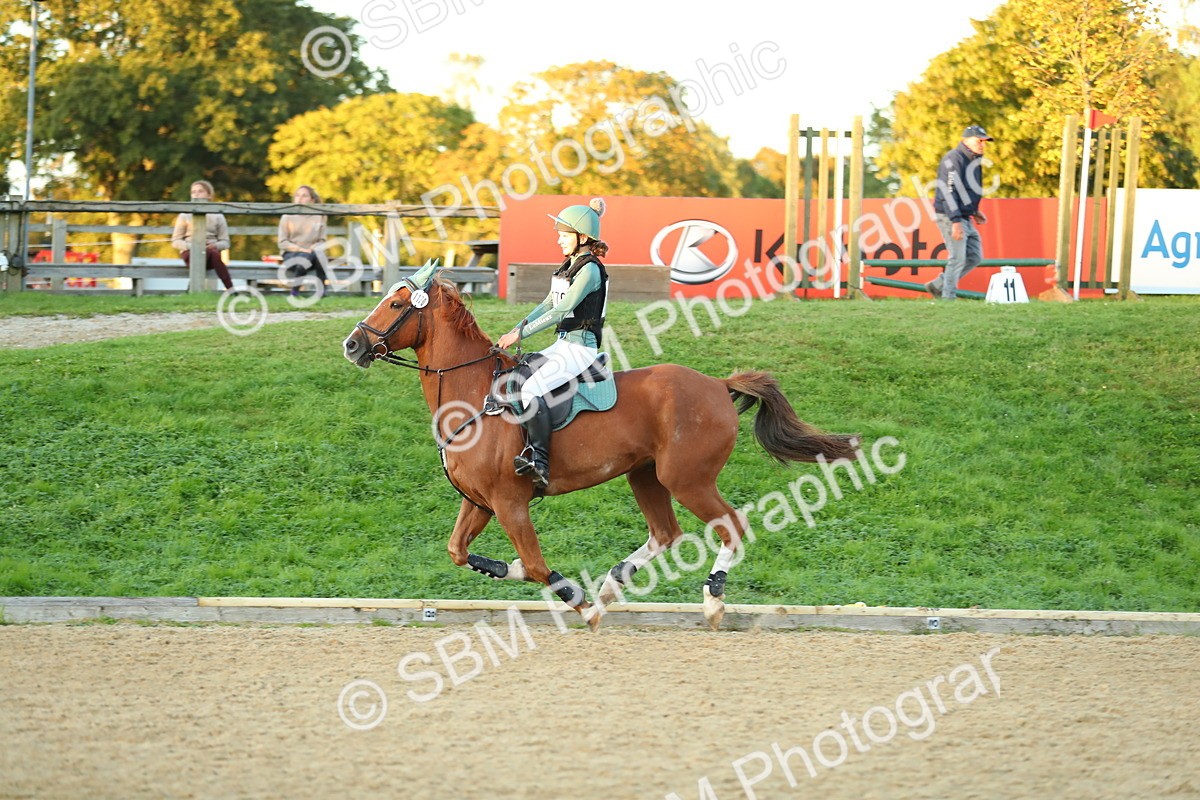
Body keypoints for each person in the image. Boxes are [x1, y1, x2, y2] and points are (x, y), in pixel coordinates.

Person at [496, 198, 609, 489]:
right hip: (563, 345)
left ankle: (540, 463)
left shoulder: (590, 271)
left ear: (582, 237)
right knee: (518, 372)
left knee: (532, 388)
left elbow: (560, 311)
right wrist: (516, 327)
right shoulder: (569, 266)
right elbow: (548, 303)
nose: (558, 239)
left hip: (580, 349)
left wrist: (520, 335)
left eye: (563, 234)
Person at [927, 125, 993, 300]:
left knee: (974, 256)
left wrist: (974, 211)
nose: (982, 144)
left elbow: (966, 189)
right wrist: (956, 221)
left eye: (984, 141)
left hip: (964, 216)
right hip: (951, 216)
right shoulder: (954, 159)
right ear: (965, 140)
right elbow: (949, 192)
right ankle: (948, 298)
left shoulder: (973, 159)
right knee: (957, 258)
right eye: (979, 140)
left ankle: (938, 285)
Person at [172, 180, 234, 291]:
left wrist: (214, 245)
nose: (196, 194)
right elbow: (176, 241)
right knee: (208, 254)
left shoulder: (218, 216)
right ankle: (231, 289)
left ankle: (192, 289)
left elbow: (225, 242)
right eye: (193, 192)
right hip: (190, 253)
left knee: (213, 253)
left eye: (200, 191)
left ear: (209, 195)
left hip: (211, 255)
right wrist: (193, 246)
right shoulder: (184, 215)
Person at [277, 185, 328, 298]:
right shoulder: (287, 216)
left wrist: (313, 248)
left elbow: (322, 240)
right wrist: (301, 249)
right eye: (297, 195)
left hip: (313, 253)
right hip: (292, 252)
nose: (300, 198)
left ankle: (322, 289)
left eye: (304, 196)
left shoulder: (320, 216)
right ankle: (295, 291)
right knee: (304, 259)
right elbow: (282, 242)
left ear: (312, 200)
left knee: (319, 255)